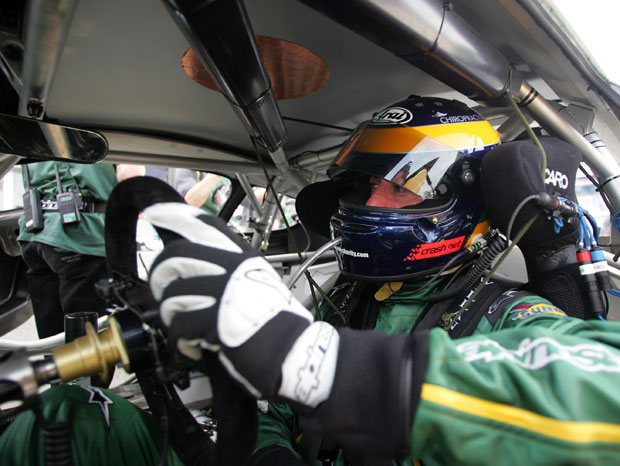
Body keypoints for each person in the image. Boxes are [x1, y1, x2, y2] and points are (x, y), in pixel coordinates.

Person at [143, 96, 620, 465]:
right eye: (370, 186)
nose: (371, 206)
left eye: (401, 188)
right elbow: (275, 411)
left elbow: (603, 389)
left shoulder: (510, 318)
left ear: (460, 206)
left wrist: (337, 369)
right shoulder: (346, 295)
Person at [18, 161, 143, 339]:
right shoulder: (105, 133)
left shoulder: (36, 132)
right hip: (84, 234)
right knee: (89, 345)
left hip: (36, 233)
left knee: (53, 340)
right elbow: (131, 171)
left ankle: (54, 366)